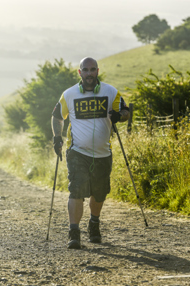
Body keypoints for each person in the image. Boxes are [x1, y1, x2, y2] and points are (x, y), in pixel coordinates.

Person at [51, 57, 129, 249]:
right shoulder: (69, 94)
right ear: (80, 73)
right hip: (78, 152)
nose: (89, 73)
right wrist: (57, 137)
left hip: (103, 153)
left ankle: (94, 224)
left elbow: (126, 111)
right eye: (85, 70)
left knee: (99, 193)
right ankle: (74, 232)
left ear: (97, 71)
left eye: (92, 70)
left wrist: (120, 116)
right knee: (76, 189)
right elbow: (56, 117)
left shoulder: (110, 92)